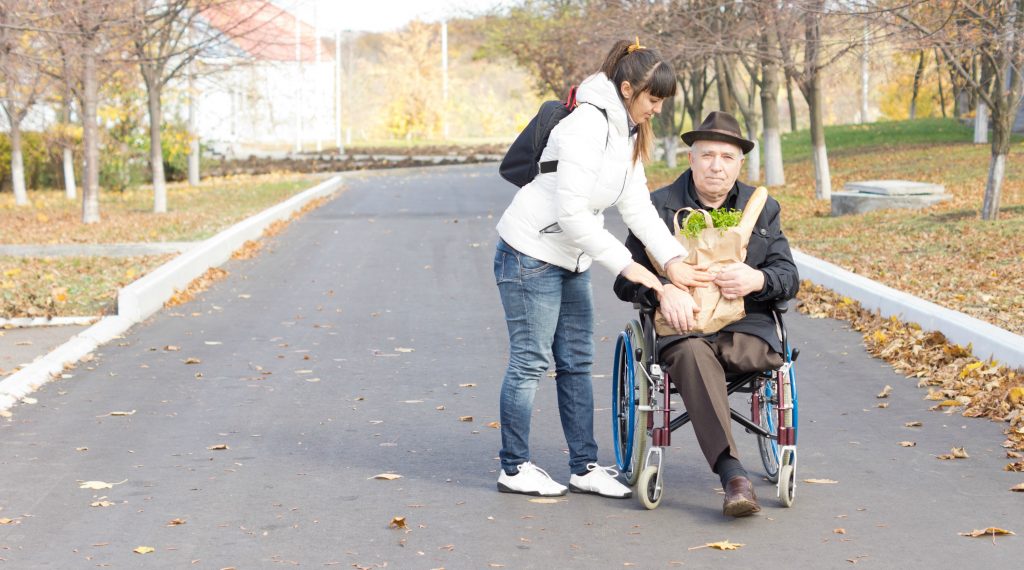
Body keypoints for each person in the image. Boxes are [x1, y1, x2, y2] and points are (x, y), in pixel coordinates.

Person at [493, 39, 714, 498]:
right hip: (529, 252)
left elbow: (637, 207)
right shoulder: (587, 125)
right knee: (530, 362)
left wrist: (673, 260)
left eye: (662, 101)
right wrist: (634, 269)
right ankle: (513, 468)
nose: (658, 109)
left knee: (576, 362)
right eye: (653, 99)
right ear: (627, 89)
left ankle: (584, 467)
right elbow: (572, 215)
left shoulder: (626, 131)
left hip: (570, 256)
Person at [612, 111, 799, 516]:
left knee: (725, 355)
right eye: (708, 155)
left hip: (745, 325)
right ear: (691, 158)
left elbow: (788, 276)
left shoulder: (760, 207)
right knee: (695, 356)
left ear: (739, 164)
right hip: (684, 329)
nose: (717, 166)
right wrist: (663, 290)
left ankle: (733, 469)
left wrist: (756, 279)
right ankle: (734, 476)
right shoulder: (657, 207)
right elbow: (624, 279)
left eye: (727, 157)